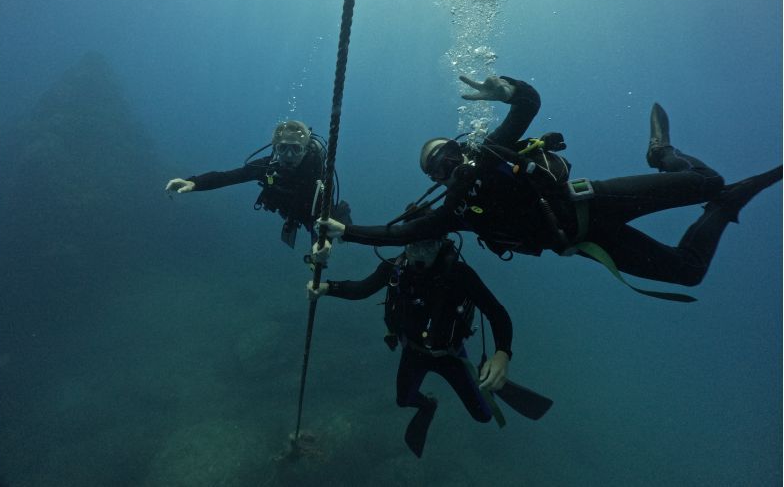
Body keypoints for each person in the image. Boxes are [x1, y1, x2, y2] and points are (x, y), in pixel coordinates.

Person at [317, 75, 781, 295]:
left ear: (462, 148)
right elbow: (404, 234)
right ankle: (725, 207)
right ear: (436, 180)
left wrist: (510, 92)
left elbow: (529, 107)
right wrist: (346, 232)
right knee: (687, 271)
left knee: (706, 179)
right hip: (587, 239)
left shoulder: (489, 154)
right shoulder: (454, 213)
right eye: (436, 168)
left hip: (596, 200)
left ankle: (661, 154)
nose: (448, 165)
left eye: (448, 153)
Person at [307, 233, 552, 458]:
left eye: (426, 245)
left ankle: (491, 378)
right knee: (404, 400)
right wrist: (327, 288)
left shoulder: (459, 275)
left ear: (440, 243)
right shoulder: (395, 268)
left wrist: (502, 355)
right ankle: (428, 406)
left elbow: (497, 314)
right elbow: (362, 288)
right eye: (412, 243)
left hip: (450, 355)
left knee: (483, 416)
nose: (417, 252)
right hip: (413, 352)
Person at [165, 120, 351, 248]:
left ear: (305, 150)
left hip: (311, 213)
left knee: (340, 235)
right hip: (291, 211)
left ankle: (345, 221)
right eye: (283, 147)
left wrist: (322, 242)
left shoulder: (315, 172)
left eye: (295, 149)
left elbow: (322, 215)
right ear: (274, 148)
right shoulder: (267, 166)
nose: (288, 155)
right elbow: (229, 177)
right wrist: (194, 182)